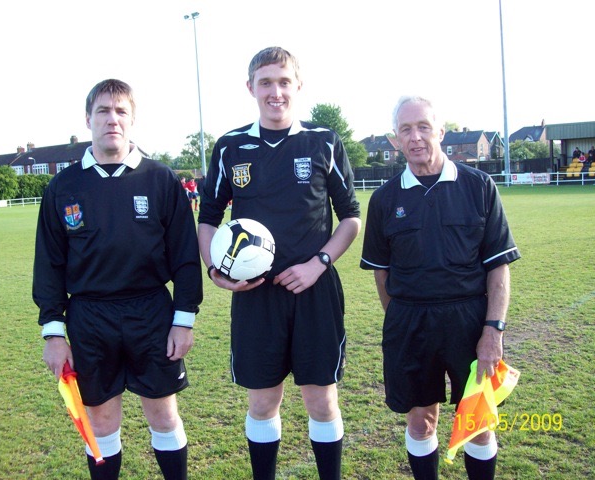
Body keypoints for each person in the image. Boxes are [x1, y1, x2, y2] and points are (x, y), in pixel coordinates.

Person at [197, 46, 361, 480]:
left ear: (298, 86)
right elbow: (208, 221)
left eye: (284, 81)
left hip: (314, 291)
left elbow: (351, 218)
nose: (275, 91)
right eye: (265, 82)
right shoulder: (230, 147)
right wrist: (218, 271)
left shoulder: (323, 141)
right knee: (262, 402)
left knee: (321, 401)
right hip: (257, 298)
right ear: (250, 87)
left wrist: (319, 263)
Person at [33, 79, 203, 480]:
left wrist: (184, 319)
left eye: (121, 111)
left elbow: (184, 257)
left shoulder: (161, 180)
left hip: (151, 314)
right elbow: (49, 265)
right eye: (104, 111)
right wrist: (53, 333)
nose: (113, 119)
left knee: (163, 415)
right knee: (102, 423)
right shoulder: (63, 186)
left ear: (132, 119)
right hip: (90, 318)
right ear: (88, 119)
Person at [360, 96, 521, 480]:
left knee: (478, 424)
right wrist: (402, 317)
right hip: (410, 322)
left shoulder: (478, 186)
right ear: (394, 139)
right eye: (405, 130)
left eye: (423, 127)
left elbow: (499, 269)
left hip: (470, 320)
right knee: (420, 422)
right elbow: (381, 275)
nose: (415, 137)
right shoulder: (384, 200)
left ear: (441, 132)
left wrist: (492, 332)